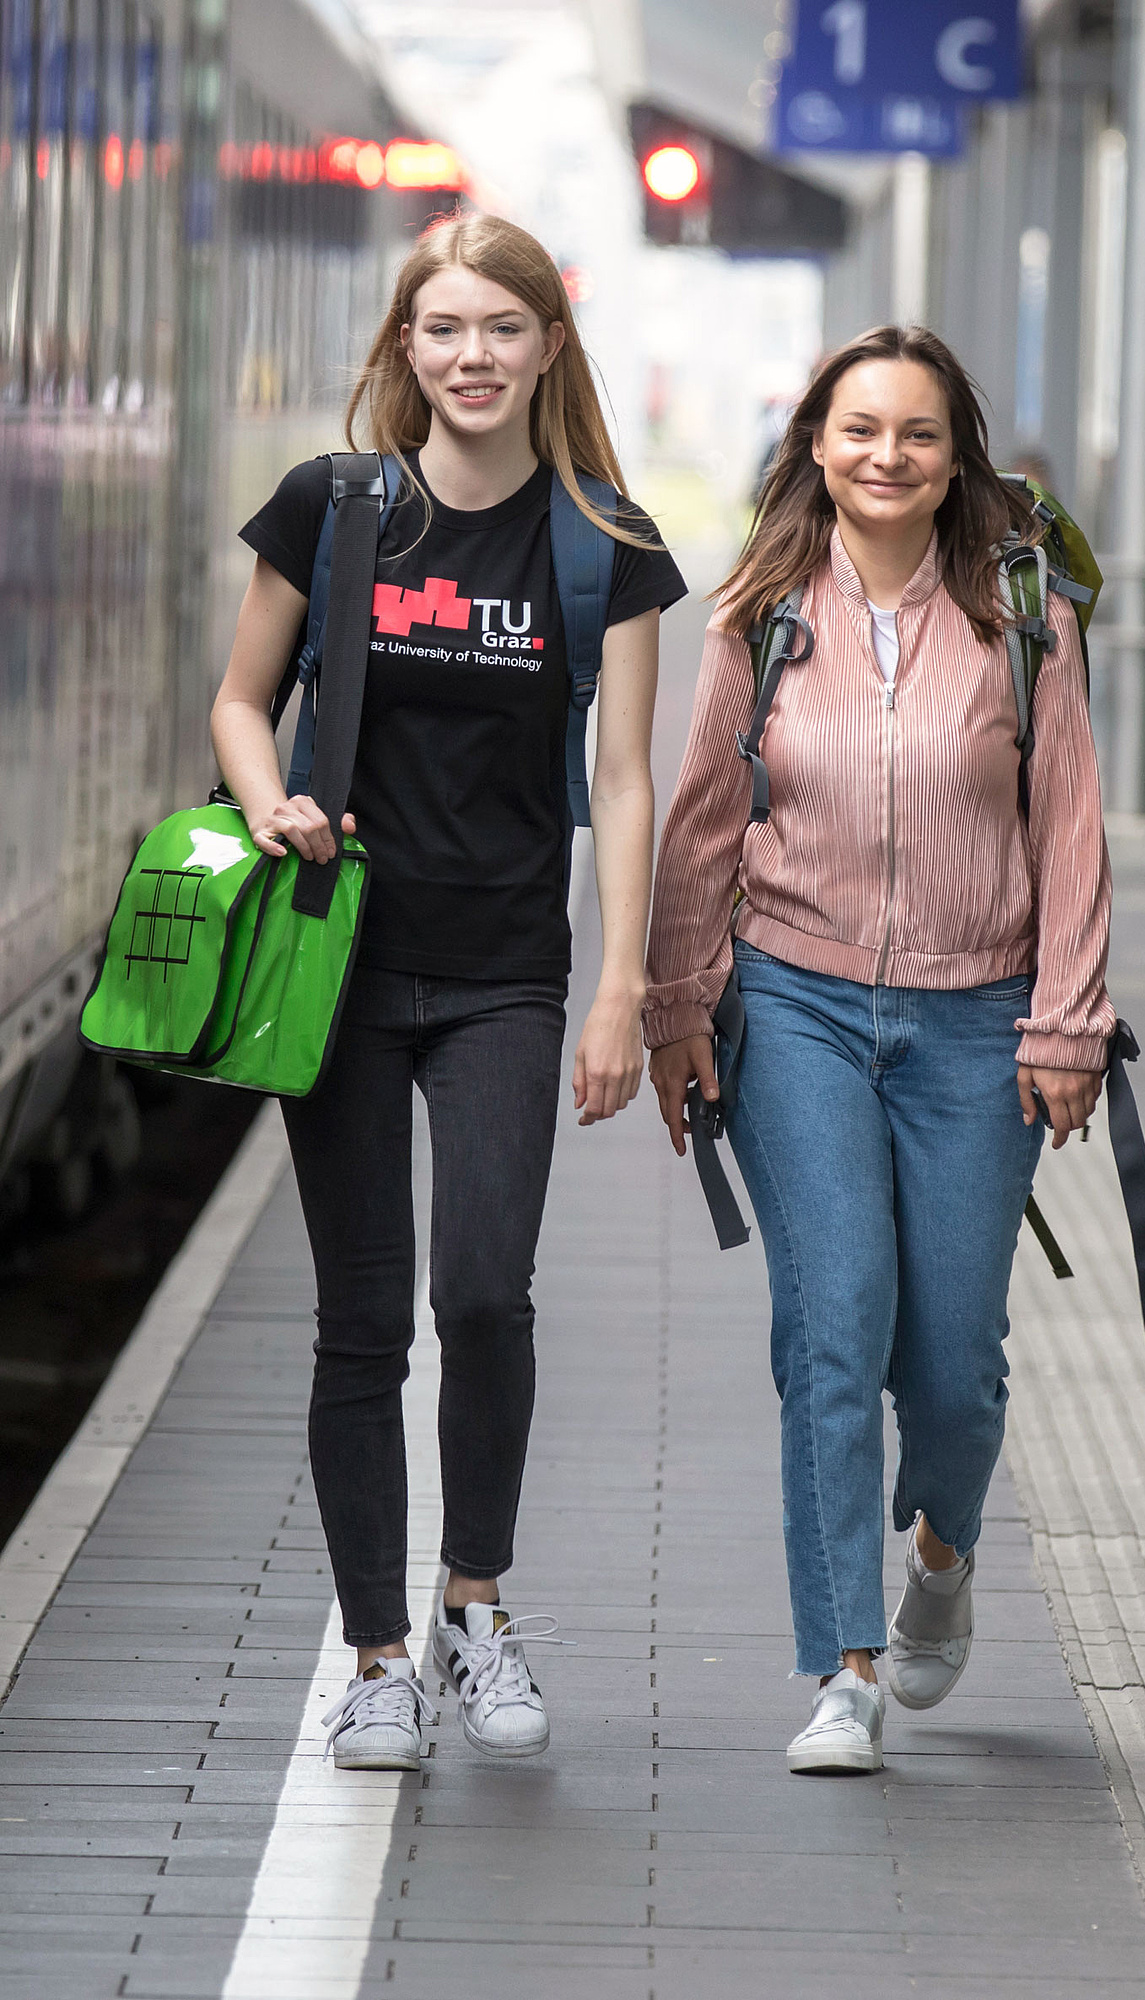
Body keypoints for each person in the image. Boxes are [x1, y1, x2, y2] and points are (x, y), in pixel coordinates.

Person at [211, 214, 685, 1770]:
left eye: (501, 328)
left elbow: (623, 780)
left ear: (550, 344)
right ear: (402, 348)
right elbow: (240, 699)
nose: (471, 356)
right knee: (363, 1323)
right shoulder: (334, 512)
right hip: (335, 960)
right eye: (442, 329)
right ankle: (378, 1657)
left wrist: (621, 985)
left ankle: (476, 1601)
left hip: (504, 972)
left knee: (482, 1293)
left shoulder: (602, 545)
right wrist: (266, 796)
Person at [645, 324, 1113, 1776]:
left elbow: (1073, 825)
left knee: (956, 1363)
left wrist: (1070, 1018)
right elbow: (701, 827)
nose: (886, 457)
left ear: (955, 452)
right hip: (799, 1003)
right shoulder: (764, 608)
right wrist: (676, 1007)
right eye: (859, 431)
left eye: (916, 433)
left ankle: (944, 1553)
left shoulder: (1023, 608)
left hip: (983, 1015)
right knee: (833, 1324)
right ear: (816, 447)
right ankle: (842, 1665)